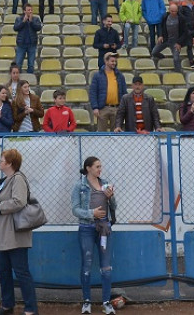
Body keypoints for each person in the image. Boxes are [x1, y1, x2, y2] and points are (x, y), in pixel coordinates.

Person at [0, 149, 38, 315]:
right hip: (1, 233)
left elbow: (19, 202)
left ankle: (31, 309)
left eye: (2, 160)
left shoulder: (18, 179)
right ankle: (7, 305)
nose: (0, 162)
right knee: (4, 271)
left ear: (9, 163)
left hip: (14, 233)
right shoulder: (4, 180)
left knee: (21, 271)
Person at [73, 156, 118, 315]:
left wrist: (110, 197)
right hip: (86, 228)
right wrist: (92, 213)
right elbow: (75, 209)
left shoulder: (105, 183)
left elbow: (114, 206)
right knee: (86, 265)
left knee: (106, 267)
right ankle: (87, 302)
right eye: (97, 166)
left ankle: (106, 303)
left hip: (104, 229)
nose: (100, 169)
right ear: (88, 168)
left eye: (100, 166)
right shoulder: (79, 186)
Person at [89, 52, 127, 132]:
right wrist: (95, 107)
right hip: (103, 108)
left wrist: (123, 107)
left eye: (115, 61)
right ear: (106, 61)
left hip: (117, 108)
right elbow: (93, 92)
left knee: (116, 134)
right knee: (101, 134)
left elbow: (124, 92)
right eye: (112, 61)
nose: (114, 63)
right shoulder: (97, 75)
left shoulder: (120, 75)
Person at [152, 1, 188, 73]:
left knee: (176, 58)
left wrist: (179, 43)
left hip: (176, 42)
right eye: (172, 11)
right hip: (166, 39)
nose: (173, 13)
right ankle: (163, 57)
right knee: (154, 52)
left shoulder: (181, 19)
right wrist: (160, 35)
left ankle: (178, 73)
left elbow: (185, 32)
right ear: (169, 10)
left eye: (175, 11)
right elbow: (161, 27)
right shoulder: (165, 17)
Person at [13, 4, 42, 74]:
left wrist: (31, 21)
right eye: (29, 10)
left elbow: (38, 28)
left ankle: (29, 81)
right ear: (24, 11)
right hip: (21, 44)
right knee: (18, 64)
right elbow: (15, 28)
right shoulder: (19, 19)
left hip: (32, 44)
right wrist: (23, 21)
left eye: (31, 10)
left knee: (31, 65)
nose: (30, 11)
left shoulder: (36, 19)